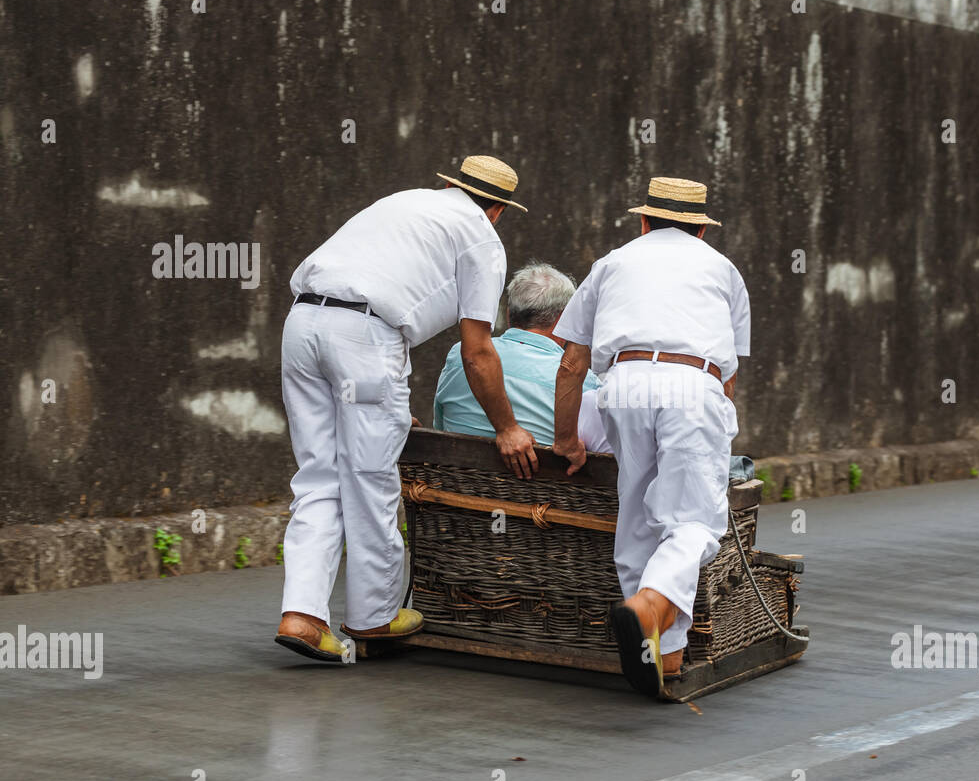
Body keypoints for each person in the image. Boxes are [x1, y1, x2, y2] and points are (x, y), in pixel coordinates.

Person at [276, 155, 537, 663]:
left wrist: (387, 408)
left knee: (318, 476)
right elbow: (477, 349)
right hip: (365, 338)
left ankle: (302, 615)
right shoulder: (482, 238)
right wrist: (507, 428)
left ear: (447, 184)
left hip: (302, 324)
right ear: (499, 210)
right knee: (371, 477)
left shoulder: (401, 202)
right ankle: (374, 615)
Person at [551, 177, 749, 696]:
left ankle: (668, 653)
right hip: (692, 384)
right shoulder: (722, 269)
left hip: (623, 384)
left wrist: (567, 439)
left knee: (637, 521)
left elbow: (571, 363)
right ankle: (648, 607)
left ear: (643, 221)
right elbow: (728, 377)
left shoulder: (612, 262)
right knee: (695, 522)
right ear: (701, 230)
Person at [432, 262, 606, 448]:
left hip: (453, 474)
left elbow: (440, 427)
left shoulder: (459, 355)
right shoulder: (585, 383)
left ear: (508, 315)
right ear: (565, 318)